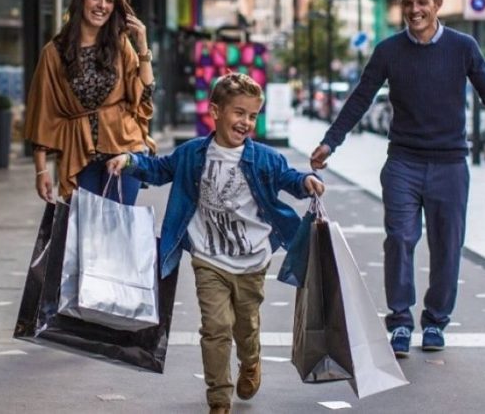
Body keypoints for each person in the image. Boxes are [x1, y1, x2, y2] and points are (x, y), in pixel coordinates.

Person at [310, 0, 485, 358]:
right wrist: (329, 142)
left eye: (422, 2)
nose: (415, 10)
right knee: (399, 239)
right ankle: (400, 322)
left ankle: (435, 320)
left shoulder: (463, 47)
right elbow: (360, 98)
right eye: (408, 3)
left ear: (437, 4)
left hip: (450, 164)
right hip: (403, 161)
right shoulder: (388, 51)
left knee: (447, 246)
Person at [106, 74, 325, 414]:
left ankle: (250, 361)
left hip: (252, 259)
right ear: (215, 111)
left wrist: (308, 180)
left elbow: (289, 178)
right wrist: (131, 161)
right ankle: (219, 398)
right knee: (215, 327)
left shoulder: (264, 158)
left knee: (246, 326)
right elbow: (159, 169)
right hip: (209, 258)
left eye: (252, 116)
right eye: (239, 113)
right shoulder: (193, 154)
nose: (246, 122)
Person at [24, 0, 156, 204]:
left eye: (109, 0)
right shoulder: (53, 53)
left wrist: (142, 46)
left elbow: (144, 93)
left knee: (118, 229)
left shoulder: (121, 45)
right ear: (81, 0)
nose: (102, 5)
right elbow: (42, 111)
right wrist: (41, 169)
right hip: (79, 153)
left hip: (124, 148)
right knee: (87, 235)